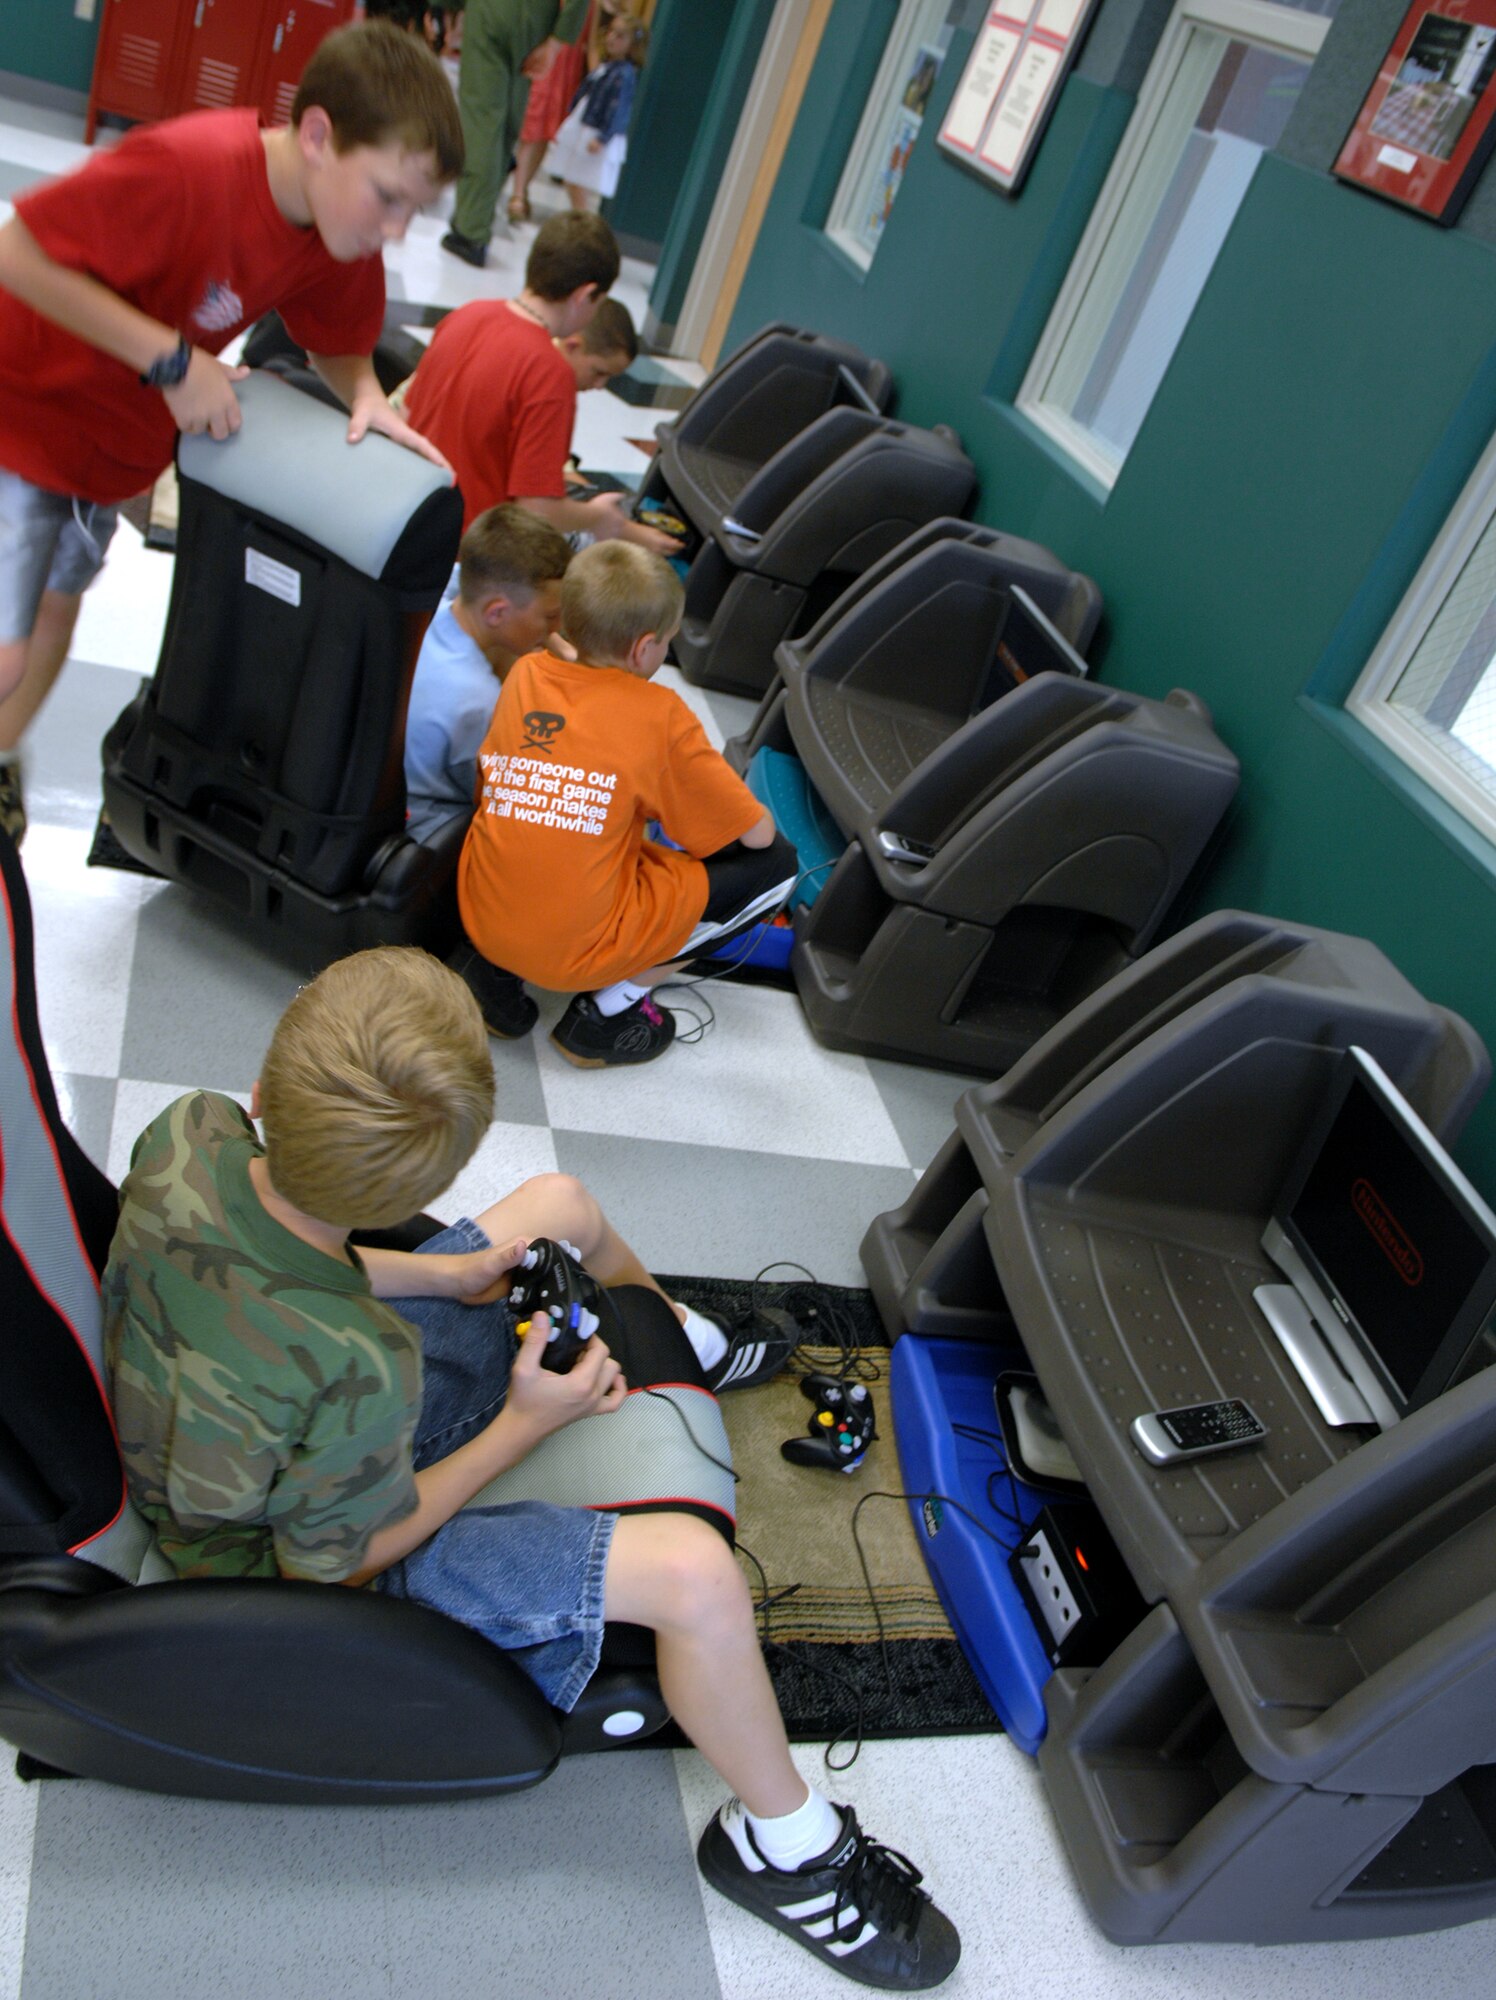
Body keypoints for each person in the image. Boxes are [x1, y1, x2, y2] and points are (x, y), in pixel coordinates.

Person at [101, 946, 961, 1992]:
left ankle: (676, 1340)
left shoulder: (192, 1126)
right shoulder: (354, 1361)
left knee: (557, 1200)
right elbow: (334, 1563)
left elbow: (276, 1251)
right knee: (697, 1578)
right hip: (281, 1554)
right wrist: (522, 1419)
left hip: (247, 1401)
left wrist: (444, 1272)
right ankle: (783, 1846)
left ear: (262, 1090)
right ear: (419, 1178)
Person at [0, 19, 462, 847]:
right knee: (4, 655)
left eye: (415, 210)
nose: (395, 229)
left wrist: (368, 397)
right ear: (317, 135)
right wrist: (175, 363)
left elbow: (337, 341)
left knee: (55, 622)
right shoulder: (190, 168)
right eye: (389, 197)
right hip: (20, 410)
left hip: (103, 453)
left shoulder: (334, 228)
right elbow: (18, 255)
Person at [458, 542, 799, 1067]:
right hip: (571, 951)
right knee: (775, 868)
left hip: (480, 914)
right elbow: (755, 836)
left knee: (547, 829)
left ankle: (493, 981)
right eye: (666, 641)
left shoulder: (526, 673)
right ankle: (607, 1015)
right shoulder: (658, 714)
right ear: (644, 649)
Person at [404, 212, 679, 553]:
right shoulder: (549, 373)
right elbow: (536, 510)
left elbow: (408, 416)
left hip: (408, 525)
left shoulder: (466, 315)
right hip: (467, 555)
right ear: (586, 294)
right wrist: (594, 516)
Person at [405, 504, 571, 845]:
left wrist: (557, 645)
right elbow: (495, 795)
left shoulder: (438, 601)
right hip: (426, 832)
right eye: (551, 617)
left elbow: (463, 575)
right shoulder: (477, 702)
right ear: (497, 612)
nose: (559, 627)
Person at [442, 0, 591, 267]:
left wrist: (448, 9)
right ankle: (478, 215)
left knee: (481, 118)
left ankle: (471, 230)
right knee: (509, 118)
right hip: (537, 18)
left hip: (491, 12)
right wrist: (558, 40)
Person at [547, 8, 643, 212]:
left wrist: (603, 137)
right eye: (611, 32)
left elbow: (619, 110)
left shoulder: (624, 75)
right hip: (586, 125)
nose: (611, 39)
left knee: (581, 181)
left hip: (596, 131)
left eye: (620, 36)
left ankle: (582, 220)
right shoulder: (607, 66)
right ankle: (577, 217)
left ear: (631, 46)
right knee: (572, 178)